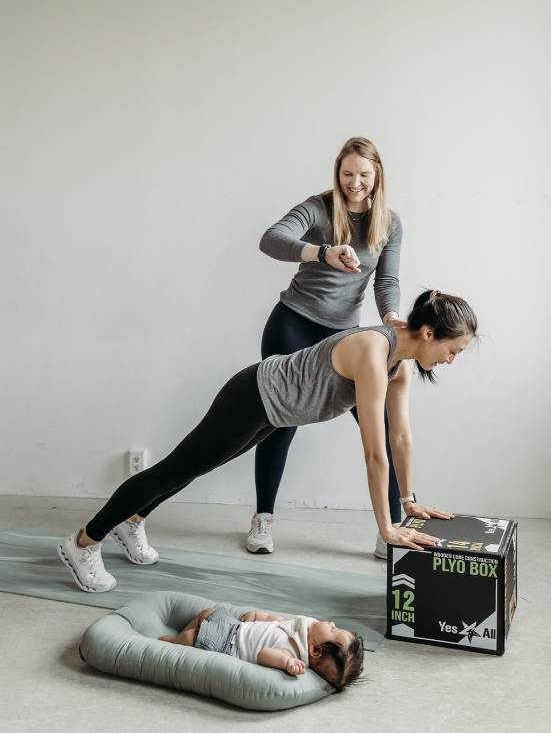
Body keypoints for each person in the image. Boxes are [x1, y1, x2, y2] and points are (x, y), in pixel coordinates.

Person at [57, 290, 477, 596]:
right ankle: (83, 543)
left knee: (194, 468)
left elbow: (399, 436)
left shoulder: (398, 366)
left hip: (276, 412)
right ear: (426, 332)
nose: (451, 360)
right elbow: (373, 451)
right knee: (176, 469)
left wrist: (408, 500)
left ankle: (131, 523)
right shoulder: (373, 349)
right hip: (254, 395)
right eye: (453, 349)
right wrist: (386, 528)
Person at [251, 136, 404, 557]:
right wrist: (322, 252)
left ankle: (389, 527)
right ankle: (263, 519)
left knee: (380, 429)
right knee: (278, 424)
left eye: (364, 175)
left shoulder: (389, 223)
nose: (355, 182)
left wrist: (390, 318)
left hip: (344, 338)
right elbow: (271, 239)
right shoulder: (318, 207)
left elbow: (386, 282)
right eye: (348, 173)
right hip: (292, 327)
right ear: (338, 173)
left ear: (377, 177)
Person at [157, 606, 364, 692]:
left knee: (190, 637)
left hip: (227, 645)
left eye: (333, 629)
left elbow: (263, 654)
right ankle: (179, 636)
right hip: (237, 627)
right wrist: (257, 615)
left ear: (315, 651)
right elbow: (278, 621)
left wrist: (287, 663)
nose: (331, 622)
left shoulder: (291, 653)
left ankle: (175, 642)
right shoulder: (303, 629)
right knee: (208, 612)